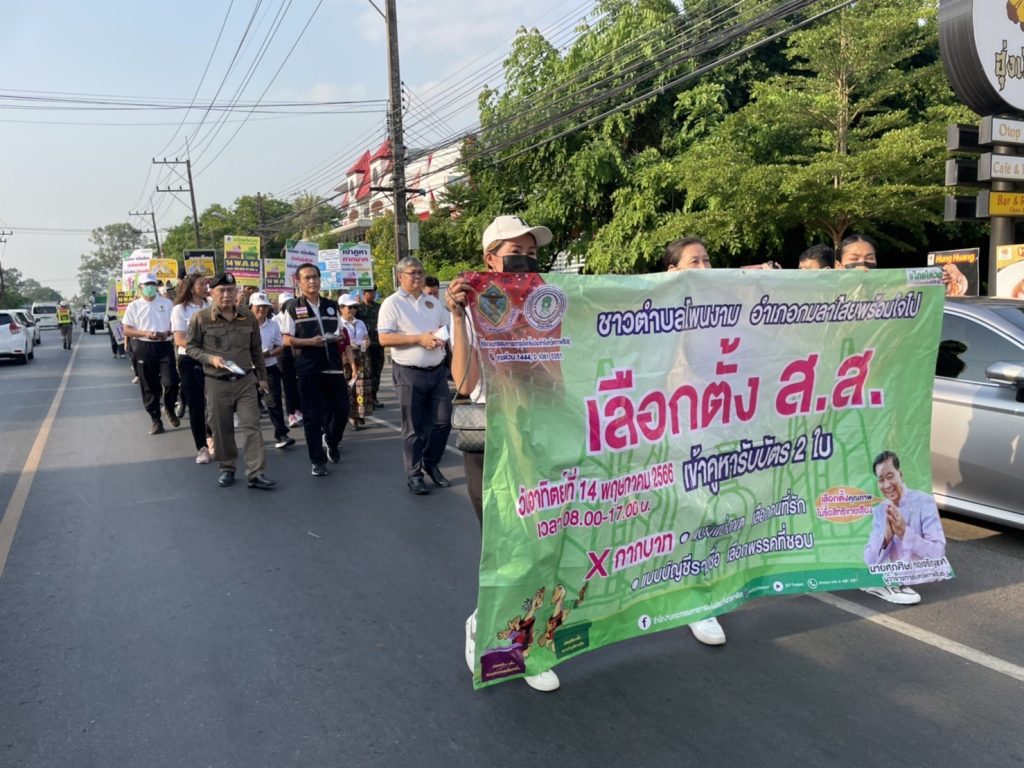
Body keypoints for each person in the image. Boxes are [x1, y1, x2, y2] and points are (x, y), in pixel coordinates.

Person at [446, 215, 560, 692]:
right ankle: (489, 629)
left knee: (541, 543)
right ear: (490, 258)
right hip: (492, 443)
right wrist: (458, 318)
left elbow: (559, 379)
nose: (525, 261)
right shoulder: (476, 304)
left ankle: (529, 638)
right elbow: (465, 383)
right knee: (506, 545)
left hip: (537, 437)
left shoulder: (548, 306)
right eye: (515, 253)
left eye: (532, 254)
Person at [661, 237, 730, 647]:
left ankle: (697, 591)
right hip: (674, 424)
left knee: (710, 509)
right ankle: (689, 597)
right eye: (694, 261)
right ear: (673, 272)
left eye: (707, 259)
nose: (704, 267)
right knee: (686, 509)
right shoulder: (660, 309)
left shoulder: (724, 308)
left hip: (718, 421)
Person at [185, 272, 275, 490]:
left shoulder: (248, 317)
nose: (226, 294)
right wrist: (210, 359)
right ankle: (227, 467)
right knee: (221, 427)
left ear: (236, 292)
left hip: (245, 380)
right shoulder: (201, 318)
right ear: (212, 293)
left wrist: (262, 378)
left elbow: (256, 350)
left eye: (230, 290)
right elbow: (191, 348)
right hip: (216, 381)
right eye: (221, 290)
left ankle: (256, 473)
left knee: (252, 426)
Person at [379, 256, 453, 495]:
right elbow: (385, 338)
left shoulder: (432, 302)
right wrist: (419, 339)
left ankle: (431, 462)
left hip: (437, 371)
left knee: (443, 420)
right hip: (409, 373)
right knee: (413, 427)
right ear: (400, 276)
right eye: (413, 273)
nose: (418, 276)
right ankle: (414, 474)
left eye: (421, 272)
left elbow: (447, 326)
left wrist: (439, 336)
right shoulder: (392, 303)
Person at [279, 263, 354, 477]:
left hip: (333, 367)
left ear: (320, 280)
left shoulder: (331, 305)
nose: (312, 281)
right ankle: (317, 460)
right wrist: (310, 342)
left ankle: (331, 439)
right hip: (308, 368)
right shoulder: (293, 307)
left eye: (315, 277)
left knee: (342, 410)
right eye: (307, 278)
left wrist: (337, 338)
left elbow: (340, 332)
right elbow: (287, 339)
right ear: (299, 282)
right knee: (312, 417)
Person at [861, 451, 946, 605]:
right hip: (898, 580)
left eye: (890, 476)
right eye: (881, 480)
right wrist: (885, 538)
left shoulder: (924, 501)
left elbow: (938, 553)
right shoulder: (880, 510)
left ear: (900, 475)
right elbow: (869, 561)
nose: (886, 485)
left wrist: (905, 533)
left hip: (926, 579)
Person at [122, 273, 180, 435]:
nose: (150, 288)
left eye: (152, 285)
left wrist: (167, 333)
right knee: (149, 386)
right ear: (140, 287)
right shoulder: (134, 306)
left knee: (171, 382)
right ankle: (155, 420)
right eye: (146, 285)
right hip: (143, 347)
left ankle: (169, 408)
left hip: (164, 345)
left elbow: (175, 324)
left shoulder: (167, 303)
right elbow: (127, 329)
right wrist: (146, 333)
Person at [172, 274, 213, 464]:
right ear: (190, 287)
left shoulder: (211, 305)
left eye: (207, 284)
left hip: (213, 359)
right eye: (201, 284)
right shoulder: (180, 309)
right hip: (190, 359)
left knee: (214, 402)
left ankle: (212, 436)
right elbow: (179, 339)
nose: (205, 287)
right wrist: (201, 350)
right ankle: (202, 447)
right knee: (196, 405)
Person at [250, 291, 295, 450]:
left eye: (265, 306)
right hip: (248, 370)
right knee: (248, 405)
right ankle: (253, 438)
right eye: (258, 306)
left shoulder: (273, 324)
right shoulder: (242, 325)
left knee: (274, 402)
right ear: (251, 307)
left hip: (269, 367)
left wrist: (268, 354)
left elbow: (280, 345)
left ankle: (281, 434)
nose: (262, 309)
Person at [339, 294, 373, 429]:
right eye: (350, 307)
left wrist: (365, 344)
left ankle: (360, 413)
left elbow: (366, 337)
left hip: (362, 356)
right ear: (341, 308)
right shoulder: (338, 324)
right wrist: (350, 346)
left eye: (354, 307)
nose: (353, 310)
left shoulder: (360, 323)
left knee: (362, 386)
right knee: (349, 387)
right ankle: (351, 415)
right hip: (346, 358)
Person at [356, 285, 385, 408]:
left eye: (374, 292)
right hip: (364, 345)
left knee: (377, 371)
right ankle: (365, 398)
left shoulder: (379, 307)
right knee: (366, 372)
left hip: (378, 343)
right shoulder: (358, 308)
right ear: (364, 292)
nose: (372, 295)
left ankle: (374, 397)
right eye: (370, 292)